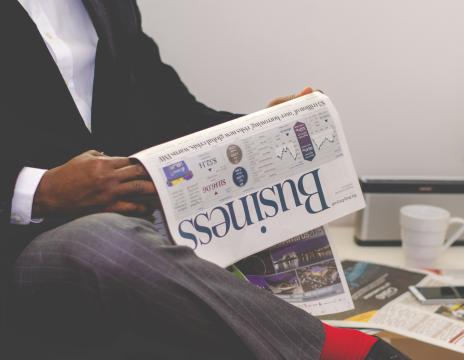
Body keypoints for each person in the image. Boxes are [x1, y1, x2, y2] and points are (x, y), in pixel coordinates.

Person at [0, 1, 409, 359]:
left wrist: (264, 129)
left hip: (141, 234)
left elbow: (171, 113)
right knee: (104, 241)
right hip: (26, 246)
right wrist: (40, 191)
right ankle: (353, 354)